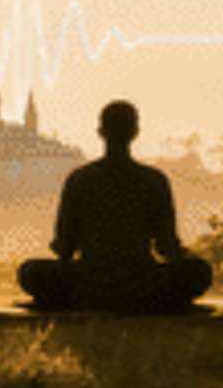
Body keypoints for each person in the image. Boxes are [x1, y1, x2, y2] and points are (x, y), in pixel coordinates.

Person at [17, 99, 213, 313]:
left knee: (30, 271)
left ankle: (78, 300)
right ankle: (152, 302)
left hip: (89, 283)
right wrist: (184, 258)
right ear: (135, 133)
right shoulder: (153, 180)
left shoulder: (80, 179)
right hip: (143, 284)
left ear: (101, 132)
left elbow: (64, 248)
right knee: (199, 271)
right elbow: (167, 246)